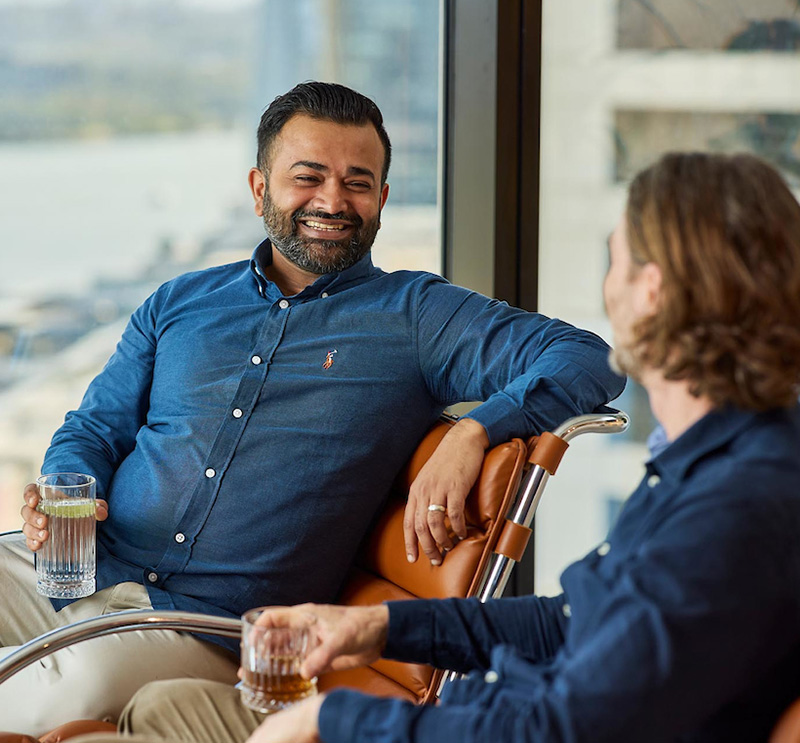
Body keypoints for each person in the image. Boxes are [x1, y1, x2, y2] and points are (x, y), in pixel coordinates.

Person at [108, 151, 800, 743]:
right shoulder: (713, 467)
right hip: (487, 708)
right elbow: (570, 621)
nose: (607, 285)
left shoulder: (735, 506)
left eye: (613, 260)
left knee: (166, 716)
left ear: (651, 291)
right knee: (168, 707)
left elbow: (561, 728)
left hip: (493, 721)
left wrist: (336, 720)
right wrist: (372, 627)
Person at [0, 81, 622, 734]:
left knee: (43, 695)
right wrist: (62, 484)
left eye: (358, 182)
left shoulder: (414, 316)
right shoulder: (178, 302)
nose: (333, 200)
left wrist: (477, 429)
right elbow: (93, 428)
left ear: (381, 199)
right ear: (259, 186)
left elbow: (589, 359)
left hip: (204, 624)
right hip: (81, 563)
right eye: (309, 176)